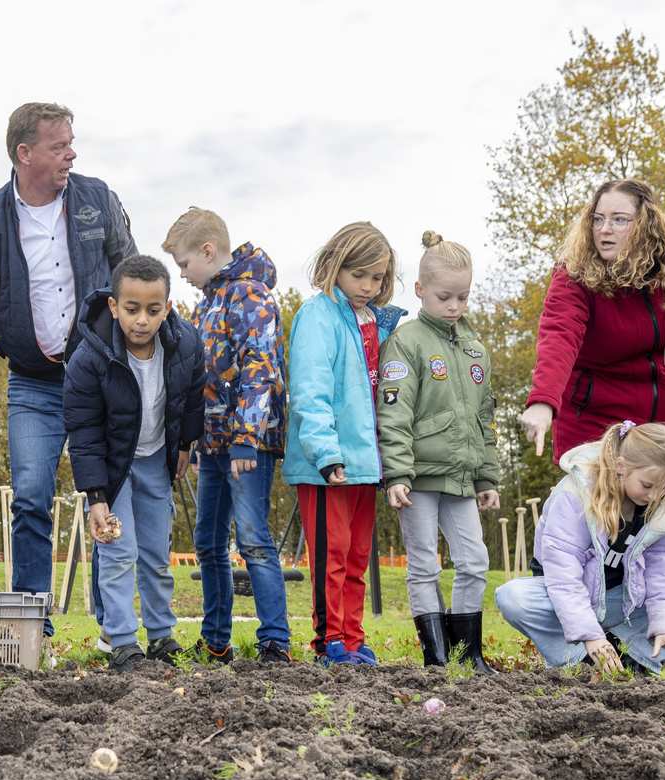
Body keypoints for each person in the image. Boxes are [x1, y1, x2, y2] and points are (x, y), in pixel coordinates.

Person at [519, 179, 665, 668]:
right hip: (596, 420)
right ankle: (590, 638)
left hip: (663, 420)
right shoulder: (576, 271)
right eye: (598, 218)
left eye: (618, 219)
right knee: (597, 534)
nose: (605, 229)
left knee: (663, 530)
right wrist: (544, 401)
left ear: (646, 221)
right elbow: (559, 333)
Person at [0, 102, 136, 636]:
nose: (71, 154)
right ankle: (32, 627)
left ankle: (115, 630)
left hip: (100, 377)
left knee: (107, 496)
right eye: (59, 146)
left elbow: (135, 279)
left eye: (72, 142)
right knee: (30, 496)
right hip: (33, 382)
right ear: (24, 153)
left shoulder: (97, 200)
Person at [495, 422, 665, 675]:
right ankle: (582, 658)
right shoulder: (574, 494)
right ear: (621, 467)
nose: (655, 496)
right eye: (647, 485)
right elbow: (564, 578)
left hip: (625, 600)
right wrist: (589, 635)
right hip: (574, 597)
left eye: (664, 488)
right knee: (513, 598)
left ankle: (639, 653)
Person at [63, 255, 205, 672]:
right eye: (132, 309)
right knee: (117, 551)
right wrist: (96, 497)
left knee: (156, 554)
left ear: (168, 307)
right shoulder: (89, 359)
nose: (142, 320)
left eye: (153, 310)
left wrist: (184, 446)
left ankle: (161, 635)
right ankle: (123, 641)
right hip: (113, 470)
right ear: (113, 306)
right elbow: (84, 432)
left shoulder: (187, 346)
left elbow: (191, 400)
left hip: (156, 464)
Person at [163, 208, 292, 665]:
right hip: (212, 444)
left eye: (184, 265)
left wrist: (246, 438)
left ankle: (275, 639)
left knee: (254, 537)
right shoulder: (207, 303)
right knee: (207, 541)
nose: (183, 274)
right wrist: (195, 439)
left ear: (208, 251)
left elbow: (260, 367)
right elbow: (201, 378)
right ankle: (216, 638)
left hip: (246, 446)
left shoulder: (251, 297)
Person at [283, 221, 405, 666]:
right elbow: (310, 390)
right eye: (359, 276)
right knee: (329, 557)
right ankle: (329, 641)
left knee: (356, 557)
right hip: (328, 462)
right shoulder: (318, 317)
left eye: (377, 278)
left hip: (367, 460)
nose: (368, 287)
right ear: (335, 267)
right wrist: (324, 452)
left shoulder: (378, 322)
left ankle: (354, 638)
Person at [377, 232, 499, 673]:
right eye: (445, 296)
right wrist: (397, 474)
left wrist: (487, 477)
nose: (454, 306)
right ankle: (437, 657)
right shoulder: (406, 343)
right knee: (424, 564)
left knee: (474, 561)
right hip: (418, 480)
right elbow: (393, 413)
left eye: (463, 297)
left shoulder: (474, 350)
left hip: (462, 480)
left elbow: (485, 418)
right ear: (421, 291)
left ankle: (469, 653)